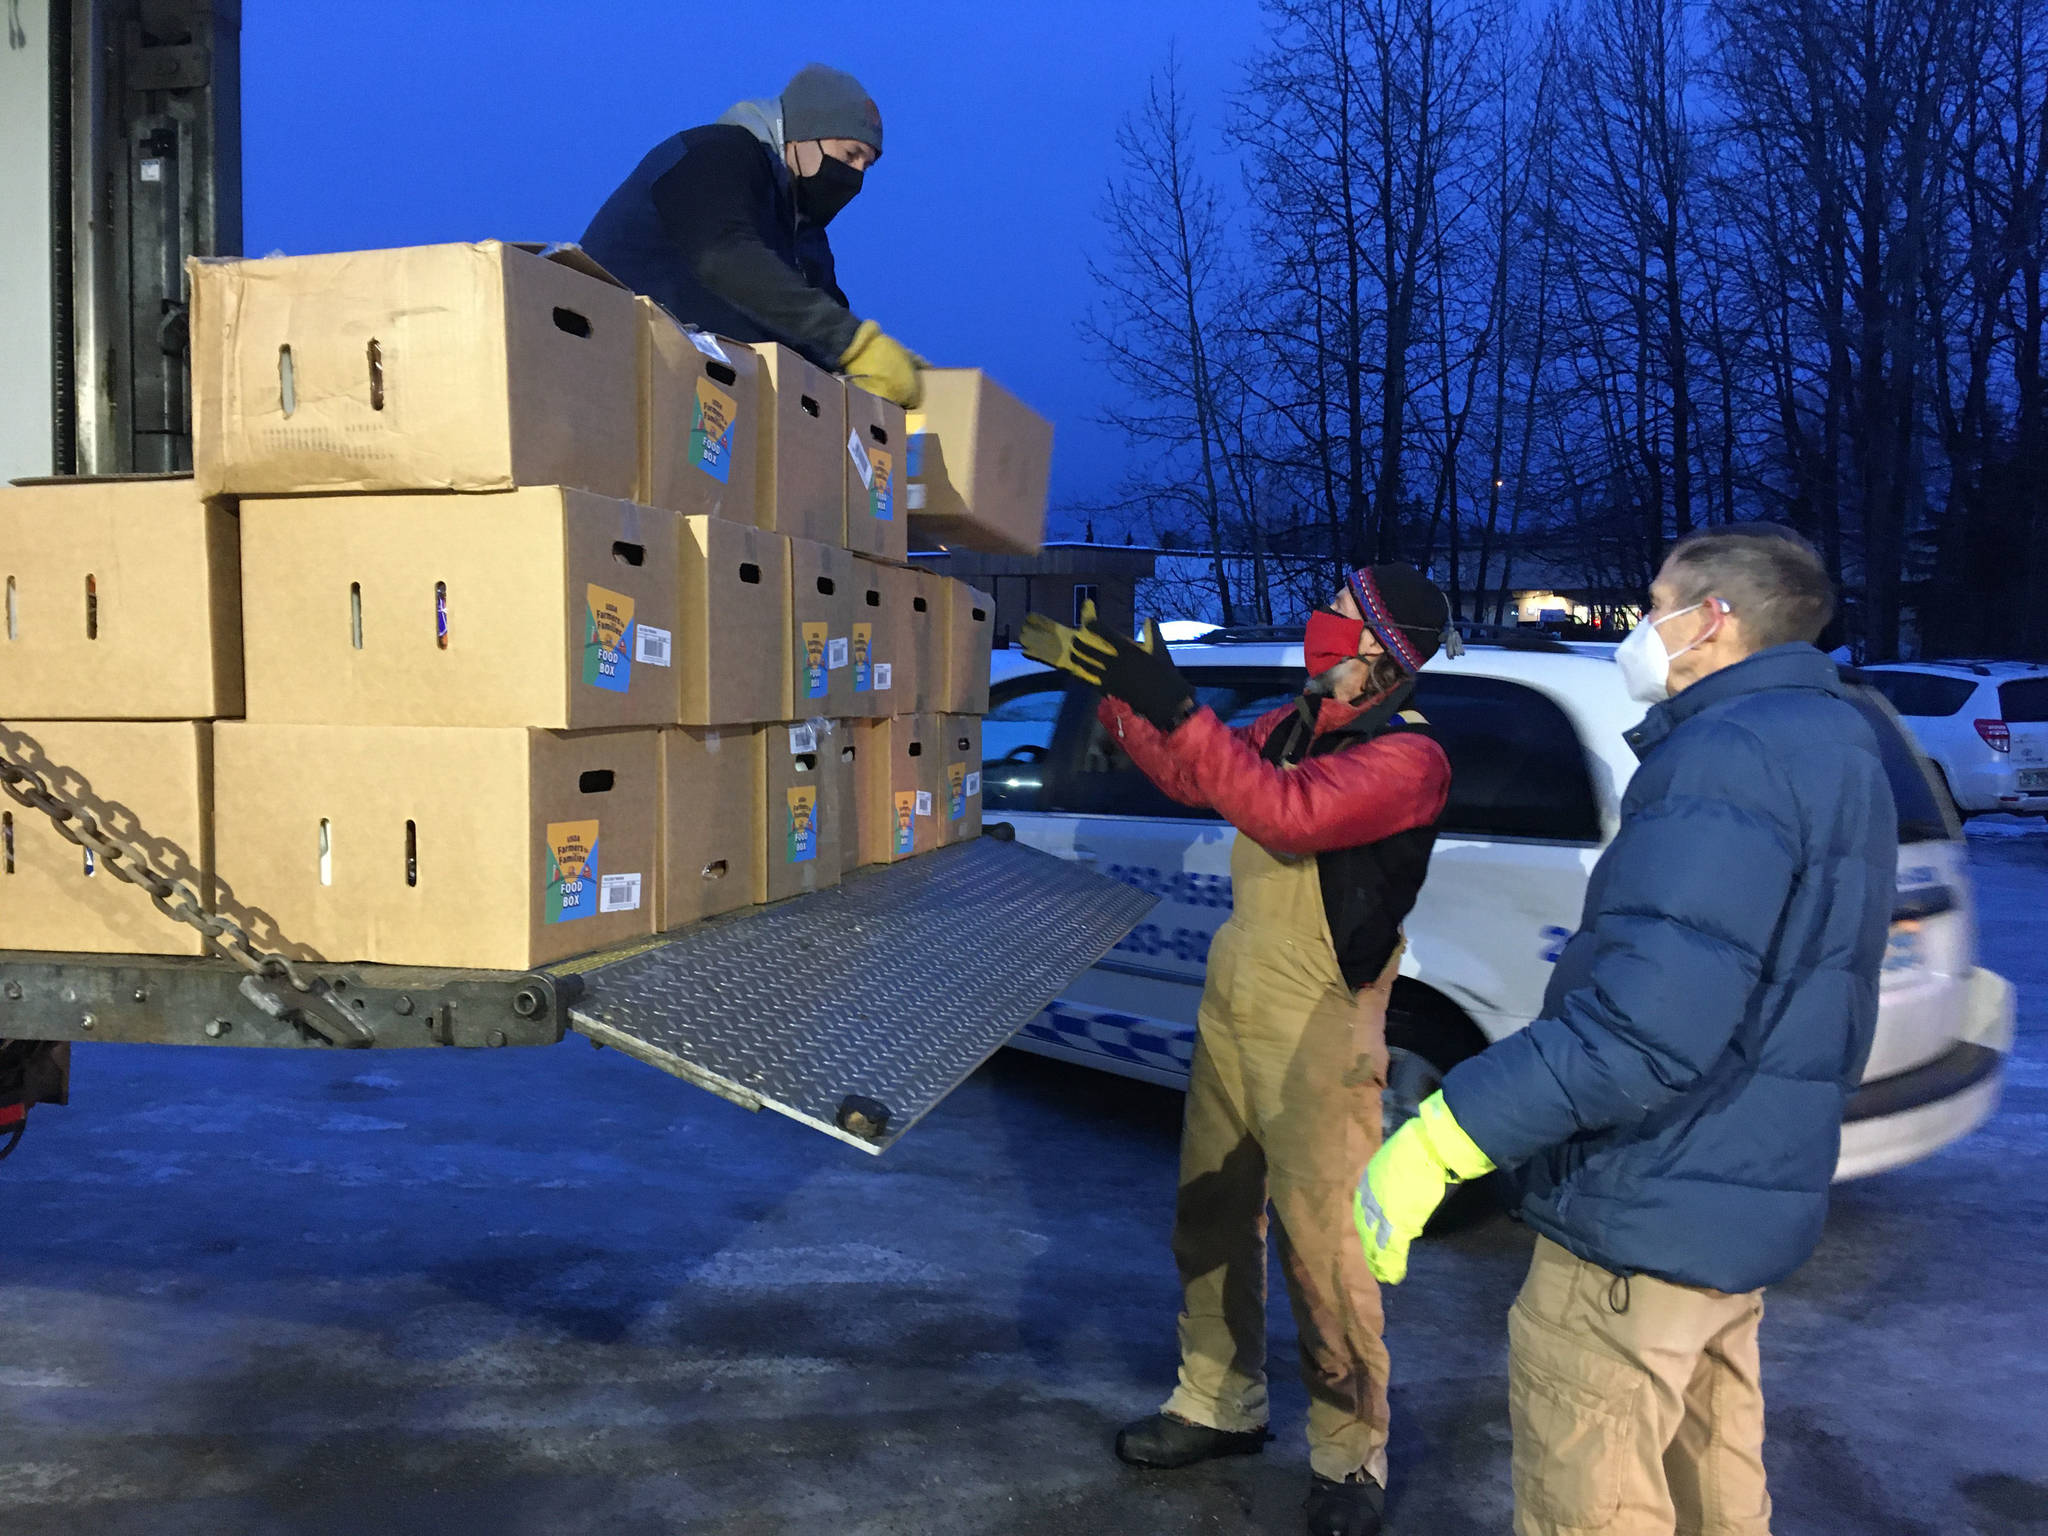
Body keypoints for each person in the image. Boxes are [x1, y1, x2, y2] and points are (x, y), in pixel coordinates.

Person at [1355, 526, 1898, 1536]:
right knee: (1712, 1480)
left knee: (1592, 1497)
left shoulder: (1725, 757)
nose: (1640, 629)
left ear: (1711, 620)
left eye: (1654, 607)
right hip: (1730, 1197)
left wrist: (1440, 1139)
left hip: (1643, 1208)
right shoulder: (1831, 738)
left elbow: (1641, 1032)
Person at [1023, 567, 1456, 1536]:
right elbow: (1196, 776)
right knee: (1211, 1212)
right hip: (1237, 991)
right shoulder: (1294, 722)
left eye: (1338, 610)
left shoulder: (1407, 756)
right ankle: (1218, 1402)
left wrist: (1179, 704)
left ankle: (1350, 1455)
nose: (1319, 621)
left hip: (1321, 1020)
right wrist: (1125, 694)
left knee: (1324, 1250)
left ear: (1381, 646)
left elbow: (1284, 812)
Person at [582, 64, 922, 408]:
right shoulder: (715, 155)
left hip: (706, 407)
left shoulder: (805, 238)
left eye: (867, 165)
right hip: (608, 365)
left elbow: (820, 330)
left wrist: (892, 369)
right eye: (851, 155)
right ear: (803, 134)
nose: (856, 174)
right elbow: (726, 256)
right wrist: (855, 344)